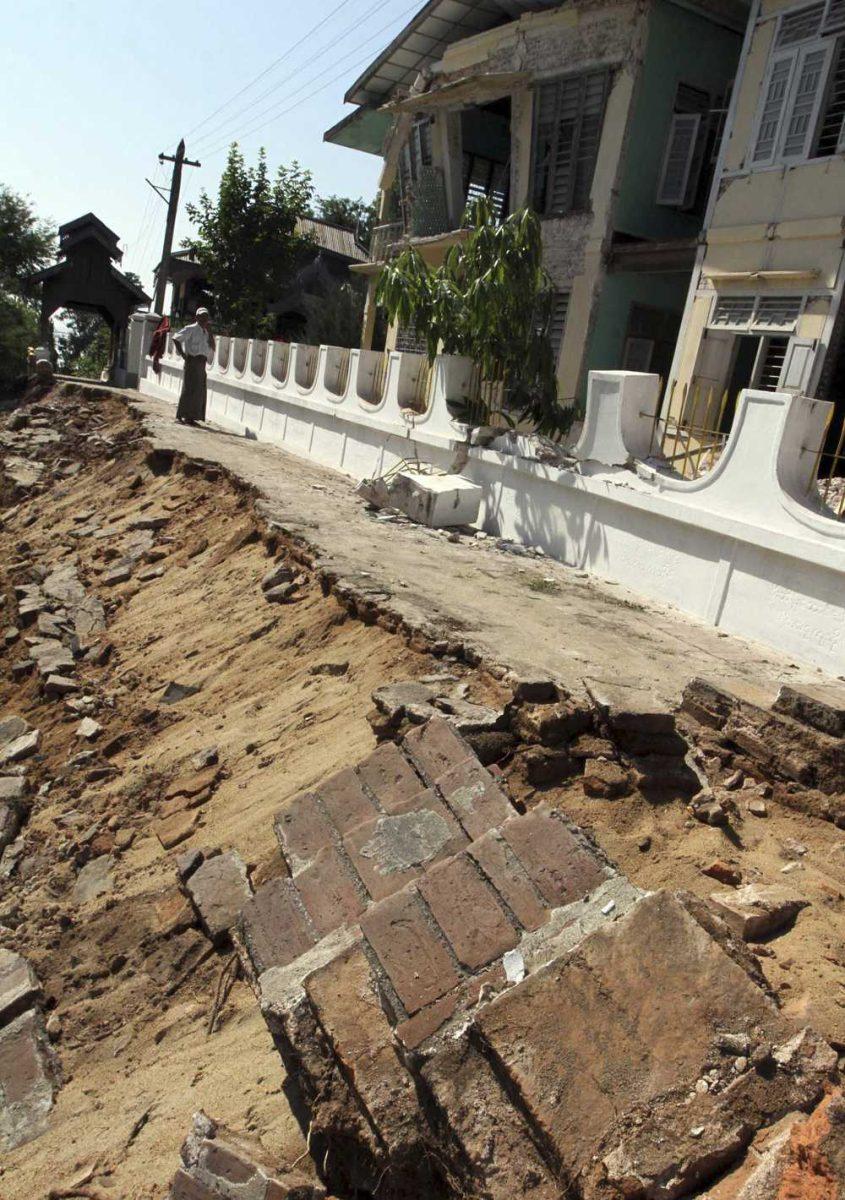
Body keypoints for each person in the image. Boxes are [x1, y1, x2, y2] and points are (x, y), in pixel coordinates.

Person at [173, 307, 215, 424]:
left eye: (206, 317)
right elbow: (176, 338)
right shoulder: (191, 328)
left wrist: (210, 331)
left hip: (202, 363)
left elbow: (213, 347)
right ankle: (180, 416)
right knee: (188, 389)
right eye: (202, 316)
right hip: (192, 361)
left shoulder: (206, 332)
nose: (204, 319)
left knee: (199, 391)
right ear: (197, 317)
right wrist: (182, 354)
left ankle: (191, 417)